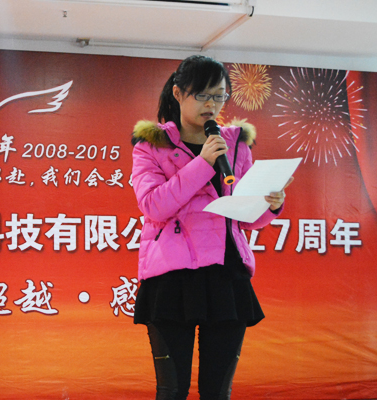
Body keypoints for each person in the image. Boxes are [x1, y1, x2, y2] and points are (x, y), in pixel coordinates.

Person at [130, 55, 292, 400]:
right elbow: (154, 206)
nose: (212, 105)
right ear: (178, 93)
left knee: (217, 392)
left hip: (225, 276)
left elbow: (243, 216)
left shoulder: (235, 143)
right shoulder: (152, 144)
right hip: (172, 279)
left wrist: (270, 205)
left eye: (219, 96)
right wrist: (203, 162)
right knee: (172, 390)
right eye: (202, 95)